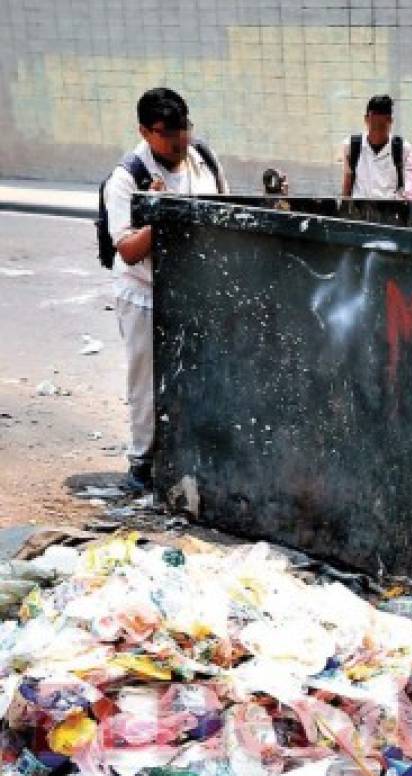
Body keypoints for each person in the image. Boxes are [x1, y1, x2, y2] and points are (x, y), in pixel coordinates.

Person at [104, 87, 227, 493]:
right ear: (144, 131)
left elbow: (224, 210)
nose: (179, 140)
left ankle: (190, 456)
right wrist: (159, 217)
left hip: (195, 288)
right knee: (146, 380)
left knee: (199, 373)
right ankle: (142, 460)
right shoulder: (127, 178)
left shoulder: (202, 159)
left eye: (184, 128)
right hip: (145, 292)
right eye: (167, 133)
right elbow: (126, 248)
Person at [341, 94, 410, 199]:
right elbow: (347, 185)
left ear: (390, 121)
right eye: (373, 127)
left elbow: (408, 189)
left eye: (382, 127)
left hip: (391, 211)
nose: (377, 133)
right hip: (360, 210)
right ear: (366, 120)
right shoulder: (351, 146)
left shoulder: (403, 149)